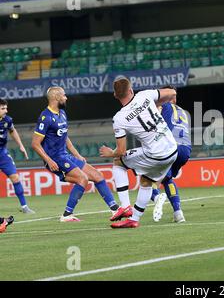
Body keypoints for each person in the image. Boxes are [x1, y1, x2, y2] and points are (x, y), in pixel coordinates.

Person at [31, 87, 120, 222]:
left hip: (65, 155)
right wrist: (48, 160)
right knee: (82, 179)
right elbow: (35, 144)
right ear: (56, 97)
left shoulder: (62, 113)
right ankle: (67, 215)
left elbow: (65, 137)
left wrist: (77, 154)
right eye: (64, 95)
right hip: (55, 158)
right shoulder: (45, 117)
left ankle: (115, 210)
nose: (66, 98)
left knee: (98, 176)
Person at [100, 76, 178, 229]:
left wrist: (110, 153)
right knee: (146, 181)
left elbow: (121, 151)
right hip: (172, 150)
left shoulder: (119, 118)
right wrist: (157, 103)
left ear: (115, 95)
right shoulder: (145, 95)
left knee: (117, 162)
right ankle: (133, 219)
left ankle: (125, 206)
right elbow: (172, 92)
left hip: (155, 154)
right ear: (131, 90)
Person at [150, 85, 191, 223]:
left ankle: (156, 197)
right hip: (185, 150)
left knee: (148, 178)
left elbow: (154, 125)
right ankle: (178, 213)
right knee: (167, 179)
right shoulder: (182, 111)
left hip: (170, 147)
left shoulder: (163, 106)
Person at [0, 99, 35, 214]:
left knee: (15, 177)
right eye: (3, 108)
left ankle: (24, 207)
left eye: (6, 108)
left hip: (2, 154)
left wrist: (21, 145)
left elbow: (12, 131)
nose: (6, 110)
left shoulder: (7, 120)